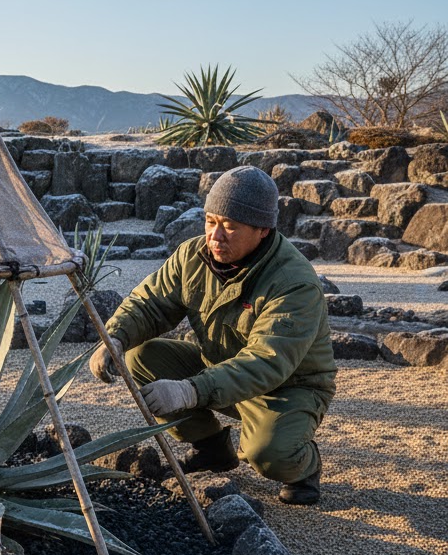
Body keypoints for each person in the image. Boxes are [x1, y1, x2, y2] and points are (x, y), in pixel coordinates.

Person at [91, 165, 336, 505]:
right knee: (140, 358)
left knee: (269, 454)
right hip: (218, 366)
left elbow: (267, 361)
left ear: (262, 230)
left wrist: (190, 390)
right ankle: (212, 449)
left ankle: (304, 466)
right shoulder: (192, 256)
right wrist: (114, 338)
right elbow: (150, 303)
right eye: (211, 222)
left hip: (287, 387)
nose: (215, 236)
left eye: (230, 227)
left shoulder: (294, 282)